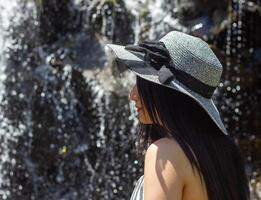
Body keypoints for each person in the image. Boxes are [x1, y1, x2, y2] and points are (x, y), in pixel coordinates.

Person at [106, 31, 250, 200]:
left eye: (142, 83)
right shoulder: (226, 152)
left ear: (166, 92)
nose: (132, 95)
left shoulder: (166, 151)